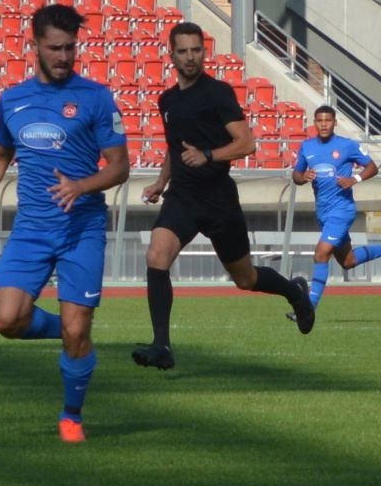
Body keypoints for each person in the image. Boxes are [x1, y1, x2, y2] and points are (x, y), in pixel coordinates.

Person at [0, 4, 130, 443]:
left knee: (76, 328)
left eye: (70, 47)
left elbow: (120, 166)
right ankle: (70, 332)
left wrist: (81, 186)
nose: (64, 56)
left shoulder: (96, 98)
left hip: (81, 228)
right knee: (6, 319)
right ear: (33, 46)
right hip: (31, 228)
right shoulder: (12, 100)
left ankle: (71, 416)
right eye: (55, 48)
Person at [132, 22, 315, 371]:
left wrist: (208, 155)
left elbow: (246, 143)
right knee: (156, 255)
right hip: (182, 197)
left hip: (218, 199)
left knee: (245, 279)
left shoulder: (217, 93)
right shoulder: (167, 100)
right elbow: (174, 148)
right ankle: (162, 345)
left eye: (196, 50)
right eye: (183, 51)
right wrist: (160, 182)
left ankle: (295, 292)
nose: (190, 57)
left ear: (204, 52)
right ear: (171, 55)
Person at [288, 104, 381, 319]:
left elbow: (372, 167)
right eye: (319, 120)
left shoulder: (347, 145)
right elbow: (296, 175)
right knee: (348, 261)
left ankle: (308, 308)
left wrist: (355, 179)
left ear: (335, 123)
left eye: (328, 120)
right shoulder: (307, 147)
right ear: (314, 123)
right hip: (323, 213)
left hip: (342, 210)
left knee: (321, 253)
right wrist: (303, 176)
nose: (324, 124)